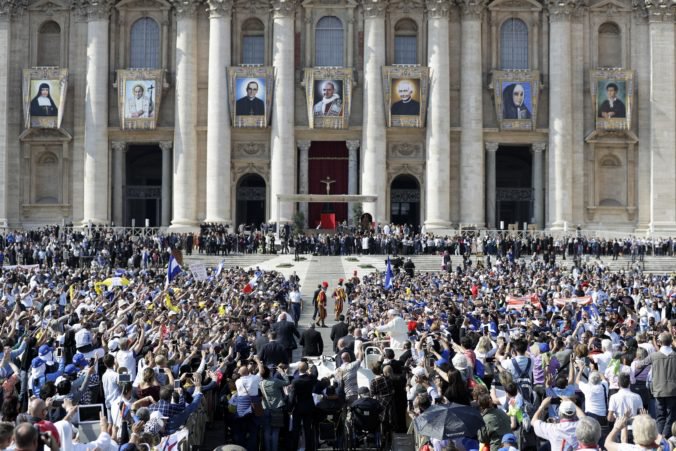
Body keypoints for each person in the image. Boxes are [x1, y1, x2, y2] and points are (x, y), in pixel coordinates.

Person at [633, 332, 676, 437]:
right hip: (673, 390)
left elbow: (639, 366)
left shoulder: (654, 356)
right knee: (671, 416)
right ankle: (665, 437)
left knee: (660, 416)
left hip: (658, 390)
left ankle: (660, 438)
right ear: (671, 342)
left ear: (659, 342)